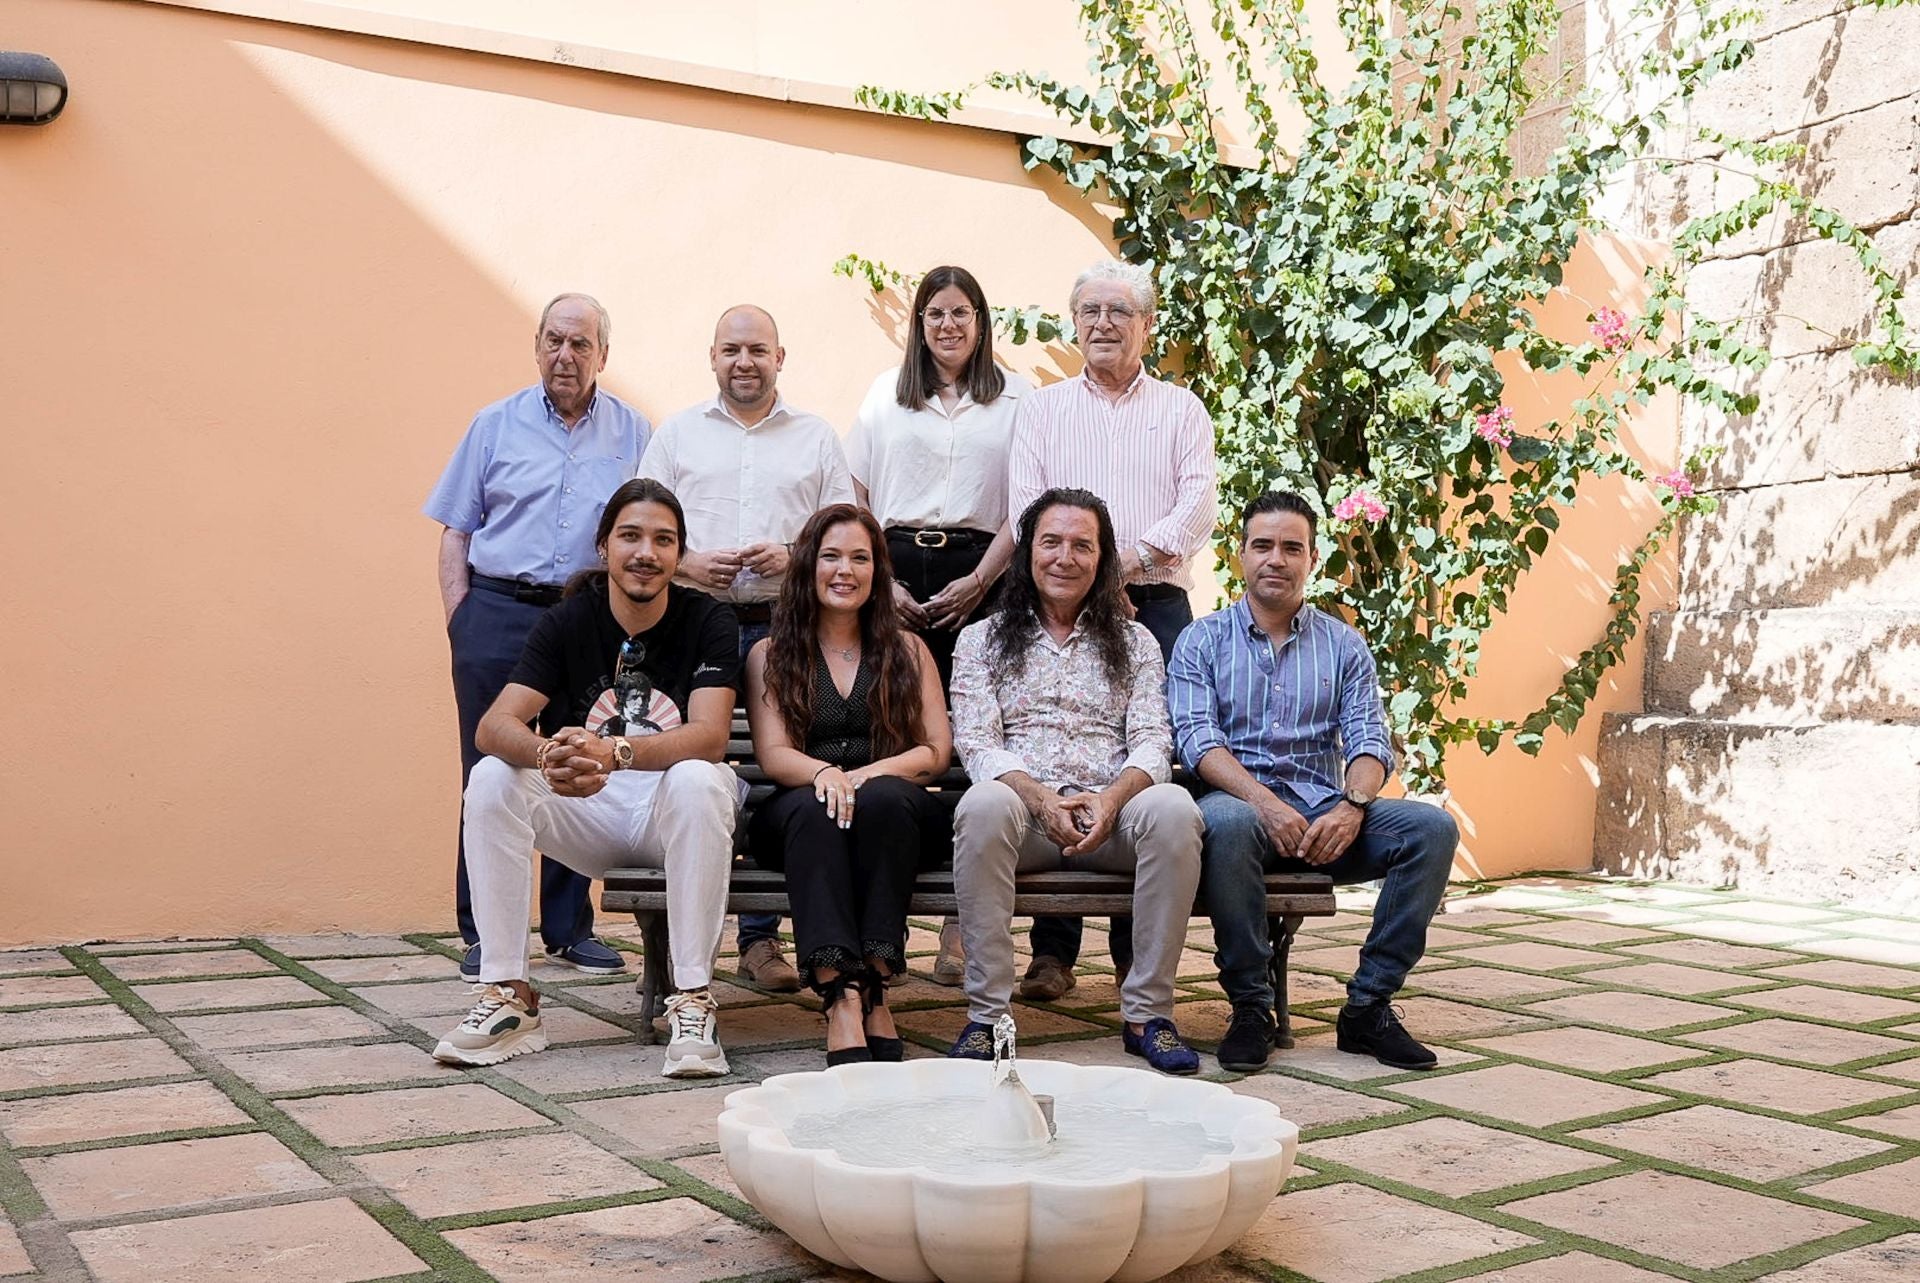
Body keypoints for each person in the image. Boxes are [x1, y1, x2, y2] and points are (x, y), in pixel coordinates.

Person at [432, 479, 741, 1079]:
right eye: (630, 536)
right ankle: (508, 998)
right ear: (604, 546)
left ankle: (694, 1001)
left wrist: (615, 753)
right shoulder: (568, 620)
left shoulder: (708, 619)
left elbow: (708, 736)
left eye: (663, 540)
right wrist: (551, 755)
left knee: (700, 778)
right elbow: (495, 726)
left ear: (679, 556)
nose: (645, 552)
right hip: (590, 811)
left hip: (670, 813)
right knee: (495, 776)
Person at [1168, 491, 1458, 1072]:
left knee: (1431, 829)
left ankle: (1368, 1008)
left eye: (1291, 547)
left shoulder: (1343, 644)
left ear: (1312, 558)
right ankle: (1252, 1007)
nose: (1276, 559)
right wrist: (1265, 803)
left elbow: (1370, 741)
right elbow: (1197, 742)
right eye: (1263, 546)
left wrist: (1353, 806)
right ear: (1240, 555)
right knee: (1226, 819)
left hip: (1326, 821)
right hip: (1241, 820)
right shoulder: (1202, 641)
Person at [1005, 259, 1218, 1000]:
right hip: (1058, 599)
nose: (1103, 322)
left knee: (1142, 759)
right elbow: (1028, 508)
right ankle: (1052, 954)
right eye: (1091, 309)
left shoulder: (1182, 409)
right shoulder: (1043, 409)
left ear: (1146, 325)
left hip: (1151, 604)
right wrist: (1089, 576)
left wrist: (1118, 570)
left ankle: (1135, 958)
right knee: (1057, 745)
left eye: (1120, 311)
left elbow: (1198, 506)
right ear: (1074, 321)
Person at [424, 294, 648, 982]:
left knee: (577, 766)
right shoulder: (494, 424)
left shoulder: (635, 433)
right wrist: (463, 620)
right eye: (554, 340)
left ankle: (569, 927)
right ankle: (484, 932)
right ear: (537, 345)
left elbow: (645, 529)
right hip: (497, 611)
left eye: (581, 344)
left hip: (585, 617)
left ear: (603, 355)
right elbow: (456, 530)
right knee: (487, 769)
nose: (566, 356)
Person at [946, 488, 1204, 1075]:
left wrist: (1113, 800)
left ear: (1103, 558)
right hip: (1024, 819)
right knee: (983, 802)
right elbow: (978, 742)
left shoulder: (1136, 642)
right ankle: (988, 1018)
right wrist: (1038, 799)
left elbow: (1152, 740)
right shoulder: (980, 640)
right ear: (1026, 553)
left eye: (1082, 546)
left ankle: (1148, 1016)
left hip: (1110, 818)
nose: (1065, 557)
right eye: (1051, 542)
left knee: (1174, 809)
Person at [637, 304, 855, 994]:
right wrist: (686, 563)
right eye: (732, 349)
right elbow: (640, 525)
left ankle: (760, 940)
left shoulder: (817, 438)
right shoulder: (675, 436)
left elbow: (844, 532)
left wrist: (796, 555)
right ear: (712, 356)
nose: (744, 361)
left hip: (786, 626)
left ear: (780, 357)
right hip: (693, 623)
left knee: (770, 770)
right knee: (695, 767)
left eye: (758, 349)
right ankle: (683, 932)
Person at [846, 264, 1029, 986]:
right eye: (934, 314)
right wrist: (880, 578)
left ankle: (962, 921)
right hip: (890, 574)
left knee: (972, 742)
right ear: (918, 324)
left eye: (961, 313)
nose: (948, 325)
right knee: (892, 732)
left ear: (981, 321)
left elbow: (1029, 502)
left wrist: (982, 580)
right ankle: (879, 919)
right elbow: (853, 490)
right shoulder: (884, 397)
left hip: (980, 575)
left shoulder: (1018, 398)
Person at [743, 505, 953, 1064]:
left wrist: (864, 775)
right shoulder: (772, 653)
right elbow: (772, 753)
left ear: (878, 571)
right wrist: (826, 775)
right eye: (831, 556)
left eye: (860, 558)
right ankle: (840, 992)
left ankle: (875, 983)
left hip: (894, 812)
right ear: (808, 565)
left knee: (882, 800)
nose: (845, 570)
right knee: (818, 810)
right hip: (800, 814)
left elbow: (935, 751)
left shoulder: (908, 650)